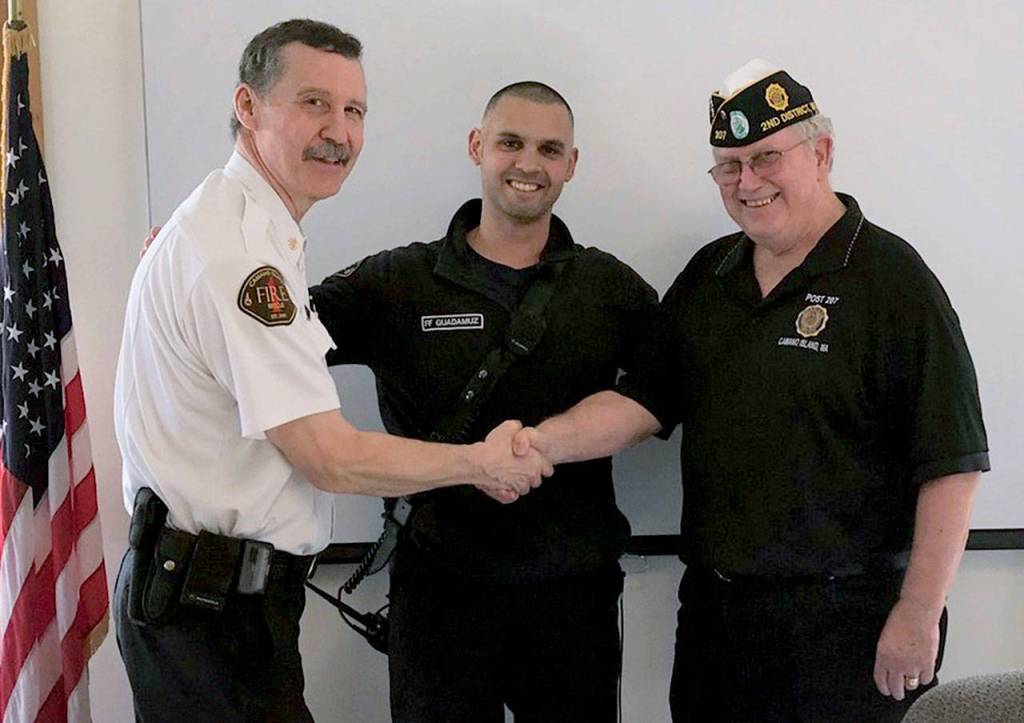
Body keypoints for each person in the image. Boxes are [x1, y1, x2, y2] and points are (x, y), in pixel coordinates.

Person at [512, 60, 989, 722]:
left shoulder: (894, 281)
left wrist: (919, 610)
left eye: (766, 158)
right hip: (717, 621)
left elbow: (953, 464)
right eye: (728, 166)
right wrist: (535, 442)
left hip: (849, 623)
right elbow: (639, 405)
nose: (748, 182)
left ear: (821, 153)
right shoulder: (711, 274)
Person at [112, 21, 550, 722]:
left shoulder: (234, 228)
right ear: (248, 109)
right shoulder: (240, 255)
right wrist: (479, 462)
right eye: (313, 103)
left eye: (355, 111)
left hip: (206, 601)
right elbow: (328, 457)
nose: (338, 132)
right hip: (211, 615)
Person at [311, 82, 658, 721]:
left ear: (571, 165)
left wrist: (545, 442)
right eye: (510, 143)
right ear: (477, 147)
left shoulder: (608, 288)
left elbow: (665, 391)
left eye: (550, 149)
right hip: (437, 596)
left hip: (571, 599)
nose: (529, 164)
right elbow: (271, 336)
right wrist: (209, 263)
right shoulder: (397, 282)